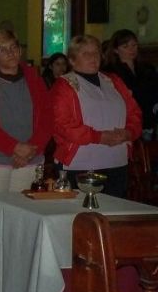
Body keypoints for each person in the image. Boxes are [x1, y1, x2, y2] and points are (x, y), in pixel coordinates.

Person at [51, 34, 141, 198]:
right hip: (80, 164)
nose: (93, 57)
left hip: (116, 161)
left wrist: (128, 132)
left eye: (96, 53)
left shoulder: (114, 81)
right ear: (72, 60)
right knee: (81, 212)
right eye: (86, 54)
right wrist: (99, 137)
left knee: (115, 211)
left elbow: (134, 113)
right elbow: (61, 124)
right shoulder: (64, 85)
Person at [0, 30, 52, 193]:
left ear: (20, 50)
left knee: (23, 208)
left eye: (14, 47)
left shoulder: (35, 79)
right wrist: (14, 147)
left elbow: (47, 118)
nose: (10, 53)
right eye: (3, 49)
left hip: (30, 157)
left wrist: (30, 150)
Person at [104, 29, 158, 139]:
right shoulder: (110, 71)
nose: (131, 49)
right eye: (125, 46)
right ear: (116, 50)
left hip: (149, 118)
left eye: (134, 45)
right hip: (127, 120)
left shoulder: (147, 68)